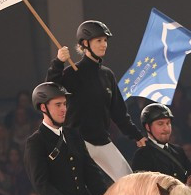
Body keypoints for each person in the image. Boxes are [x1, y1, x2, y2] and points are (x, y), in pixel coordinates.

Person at [47, 20, 143, 182]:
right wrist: (58, 63)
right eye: (99, 40)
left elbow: (119, 112)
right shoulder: (72, 72)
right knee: (83, 188)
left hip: (102, 139)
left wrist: (137, 136)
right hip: (77, 142)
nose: (104, 44)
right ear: (85, 43)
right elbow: (50, 90)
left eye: (105, 40)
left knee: (129, 181)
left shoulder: (107, 75)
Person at [129, 103, 191, 190]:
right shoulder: (142, 155)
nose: (166, 128)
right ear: (148, 127)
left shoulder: (178, 151)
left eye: (168, 123)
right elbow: (143, 189)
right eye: (160, 124)